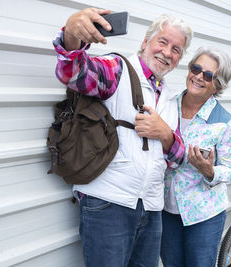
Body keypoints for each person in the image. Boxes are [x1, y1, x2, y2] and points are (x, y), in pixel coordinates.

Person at [53, 7, 193, 267]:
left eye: (176, 50)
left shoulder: (171, 97)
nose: (167, 53)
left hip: (151, 208)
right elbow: (73, 73)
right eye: (163, 42)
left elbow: (178, 159)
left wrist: (165, 135)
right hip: (109, 204)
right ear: (145, 42)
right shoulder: (117, 69)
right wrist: (72, 35)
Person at [160, 47, 231, 267]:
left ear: (218, 85)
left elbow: (230, 169)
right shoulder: (166, 106)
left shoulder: (224, 122)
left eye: (208, 75)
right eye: (196, 68)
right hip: (166, 208)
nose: (198, 77)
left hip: (204, 215)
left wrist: (209, 170)